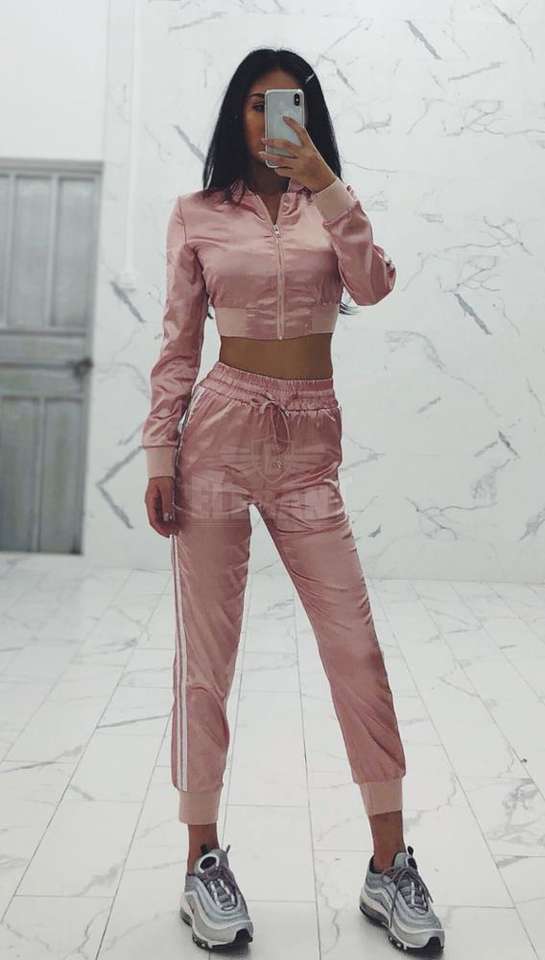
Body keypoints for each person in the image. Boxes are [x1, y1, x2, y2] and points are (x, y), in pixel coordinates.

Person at [141, 48, 445, 954]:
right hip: (219, 437)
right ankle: (201, 861)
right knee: (207, 661)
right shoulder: (197, 213)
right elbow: (178, 341)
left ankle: (388, 867)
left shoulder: (328, 203)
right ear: (235, 116)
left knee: (355, 650)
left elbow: (373, 286)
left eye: (291, 106)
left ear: (308, 119)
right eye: (257, 105)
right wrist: (160, 452)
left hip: (310, 447)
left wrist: (327, 185)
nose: (273, 119)